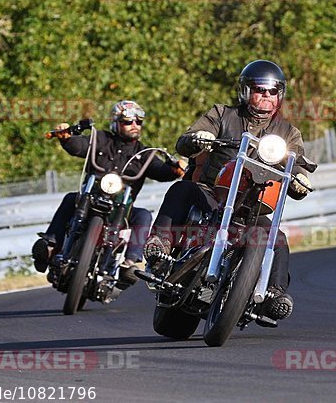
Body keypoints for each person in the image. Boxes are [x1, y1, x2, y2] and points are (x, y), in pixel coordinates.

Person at [143, 60, 314, 321]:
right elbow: (188, 139)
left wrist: (299, 180)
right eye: (259, 90)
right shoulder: (223, 114)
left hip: (251, 207)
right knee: (182, 189)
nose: (265, 96)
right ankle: (160, 244)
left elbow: (297, 163)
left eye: (271, 91)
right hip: (212, 195)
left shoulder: (287, 132)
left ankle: (274, 294)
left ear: (280, 94)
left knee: (276, 237)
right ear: (245, 91)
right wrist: (198, 138)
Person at [32, 100, 184, 286]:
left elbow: (162, 172)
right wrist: (66, 137)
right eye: (128, 121)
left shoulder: (144, 154)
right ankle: (50, 245)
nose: (134, 125)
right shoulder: (101, 139)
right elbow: (79, 146)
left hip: (122, 207)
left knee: (143, 215)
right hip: (92, 197)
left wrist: (176, 169)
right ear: (116, 123)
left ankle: (131, 263)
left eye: (138, 122)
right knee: (71, 198)